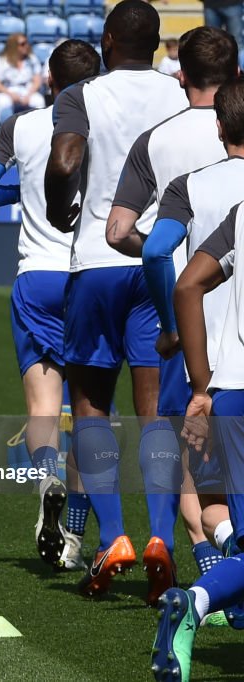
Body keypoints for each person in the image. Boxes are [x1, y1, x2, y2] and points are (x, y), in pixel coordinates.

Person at [44, 0, 189, 599]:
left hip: (98, 263)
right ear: (157, 44)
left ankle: (113, 539)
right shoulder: (179, 95)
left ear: (107, 39)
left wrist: (60, 203)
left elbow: (67, 156)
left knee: (90, 408)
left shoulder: (84, 94)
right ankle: (161, 537)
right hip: (160, 264)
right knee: (156, 412)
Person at [103, 25, 239, 604]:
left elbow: (137, 241)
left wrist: (169, 322)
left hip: (204, 334)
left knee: (191, 456)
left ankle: (199, 563)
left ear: (181, 73)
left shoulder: (161, 145)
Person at [0, 39, 103, 571]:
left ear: (49, 80)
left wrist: (24, 190)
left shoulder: (20, 126)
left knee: (43, 406)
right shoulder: (108, 126)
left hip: (36, 277)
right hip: (89, 274)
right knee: (92, 413)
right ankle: (73, 540)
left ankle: (46, 474)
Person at [137, 78, 244, 608]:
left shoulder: (191, 185)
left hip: (213, 362)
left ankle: (214, 576)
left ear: (219, 128)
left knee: (203, 486)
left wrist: (171, 327)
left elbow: (158, 254)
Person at [153, 193, 244, 679]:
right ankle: (201, 599)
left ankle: (199, 598)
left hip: (232, 392)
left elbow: (186, 285)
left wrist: (202, 387)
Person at [0, 33, 44, 118]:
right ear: (14, 46)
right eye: (22, 44)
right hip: (8, 91)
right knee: (3, 102)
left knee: (39, 101)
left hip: (27, 90)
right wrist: (10, 94)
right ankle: (3, 130)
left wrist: (29, 95)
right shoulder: (2, 61)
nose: (26, 46)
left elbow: (37, 81)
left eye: (27, 43)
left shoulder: (32, 59)